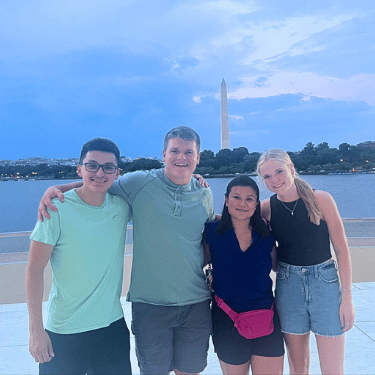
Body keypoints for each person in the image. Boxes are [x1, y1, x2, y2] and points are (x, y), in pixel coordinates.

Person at [37, 126, 216, 375]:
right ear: (164, 154)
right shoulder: (140, 182)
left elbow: (208, 232)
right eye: (174, 150)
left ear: (198, 158)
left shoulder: (205, 193)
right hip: (150, 306)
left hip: (196, 303)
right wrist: (57, 189)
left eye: (189, 152)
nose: (181, 157)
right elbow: (100, 182)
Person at [26, 138, 132, 374]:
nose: (100, 173)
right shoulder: (55, 209)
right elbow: (34, 270)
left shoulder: (122, 207)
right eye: (92, 166)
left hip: (111, 328)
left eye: (108, 167)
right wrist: (35, 331)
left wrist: (193, 179)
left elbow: (163, 184)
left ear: (117, 173)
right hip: (64, 331)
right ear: (80, 168)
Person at [256, 148, 355, 375]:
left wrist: (347, 298)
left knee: (332, 369)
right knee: (298, 367)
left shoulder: (321, 199)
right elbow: (235, 214)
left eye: (279, 171)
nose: (274, 180)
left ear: (291, 168)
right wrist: (198, 180)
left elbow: (341, 250)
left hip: (325, 284)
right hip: (288, 286)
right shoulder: (266, 208)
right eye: (267, 177)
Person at [204, 175, 284, 375]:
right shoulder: (212, 232)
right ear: (226, 200)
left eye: (249, 199)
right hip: (227, 320)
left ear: (256, 203)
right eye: (236, 197)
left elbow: (277, 267)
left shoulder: (265, 234)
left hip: (266, 318)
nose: (242, 203)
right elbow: (197, 264)